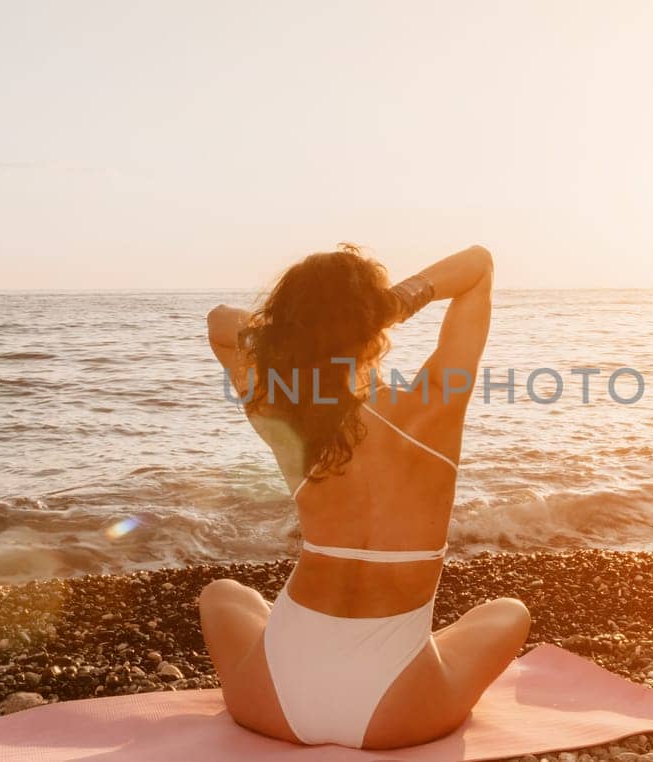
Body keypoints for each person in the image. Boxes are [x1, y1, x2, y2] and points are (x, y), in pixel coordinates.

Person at [198, 243, 530, 749]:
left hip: (271, 703)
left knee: (222, 594)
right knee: (509, 611)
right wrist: (394, 303)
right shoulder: (434, 406)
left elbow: (220, 322)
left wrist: (297, 335)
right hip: (398, 715)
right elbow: (479, 264)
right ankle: (408, 653)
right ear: (373, 326)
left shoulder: (284, 415)